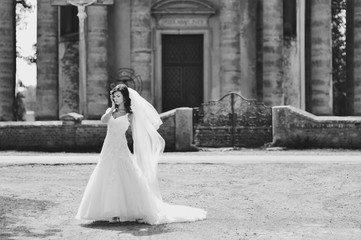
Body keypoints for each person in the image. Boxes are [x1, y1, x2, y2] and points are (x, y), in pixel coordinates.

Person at [75, 84, 207, 225]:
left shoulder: (130, 114)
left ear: (125, 97)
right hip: (107, 148)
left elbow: (139, 131)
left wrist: (141, 147)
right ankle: (109, 211)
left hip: (121, 147)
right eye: (114, 96)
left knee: (126, 176)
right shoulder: (110, 111)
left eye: (118, 96)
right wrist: (112, 107)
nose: (116, 98)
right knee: (104, 174)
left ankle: (135, 210)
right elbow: (103, 120)